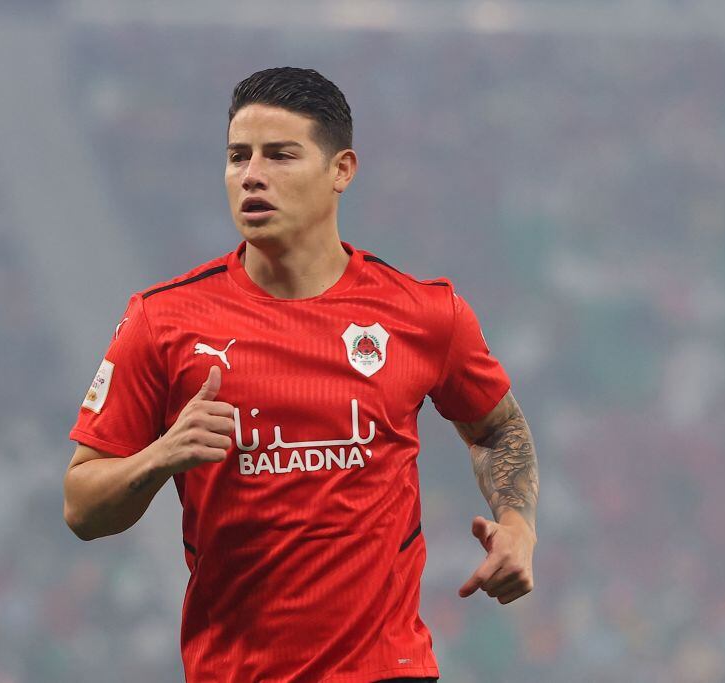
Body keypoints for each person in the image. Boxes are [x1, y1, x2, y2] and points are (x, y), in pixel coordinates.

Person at [63, 67, 539, 683]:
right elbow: (81, 508)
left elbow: (498, 429)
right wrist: (159, 457)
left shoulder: (423, 314)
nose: (251, 175)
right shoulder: (162, 320)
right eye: (238, 157)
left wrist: (519, 527)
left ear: (341, 170)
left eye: (280, 155)